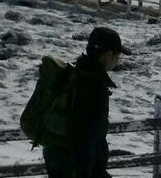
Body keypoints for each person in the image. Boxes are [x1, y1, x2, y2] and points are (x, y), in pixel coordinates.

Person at [42, 27, 131, 178]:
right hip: (78, 166)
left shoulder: (74, 73)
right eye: (118, 55)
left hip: (56, 156)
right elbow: (88, 136)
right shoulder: (94, 86)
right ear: (108, 54)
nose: (118, 60)